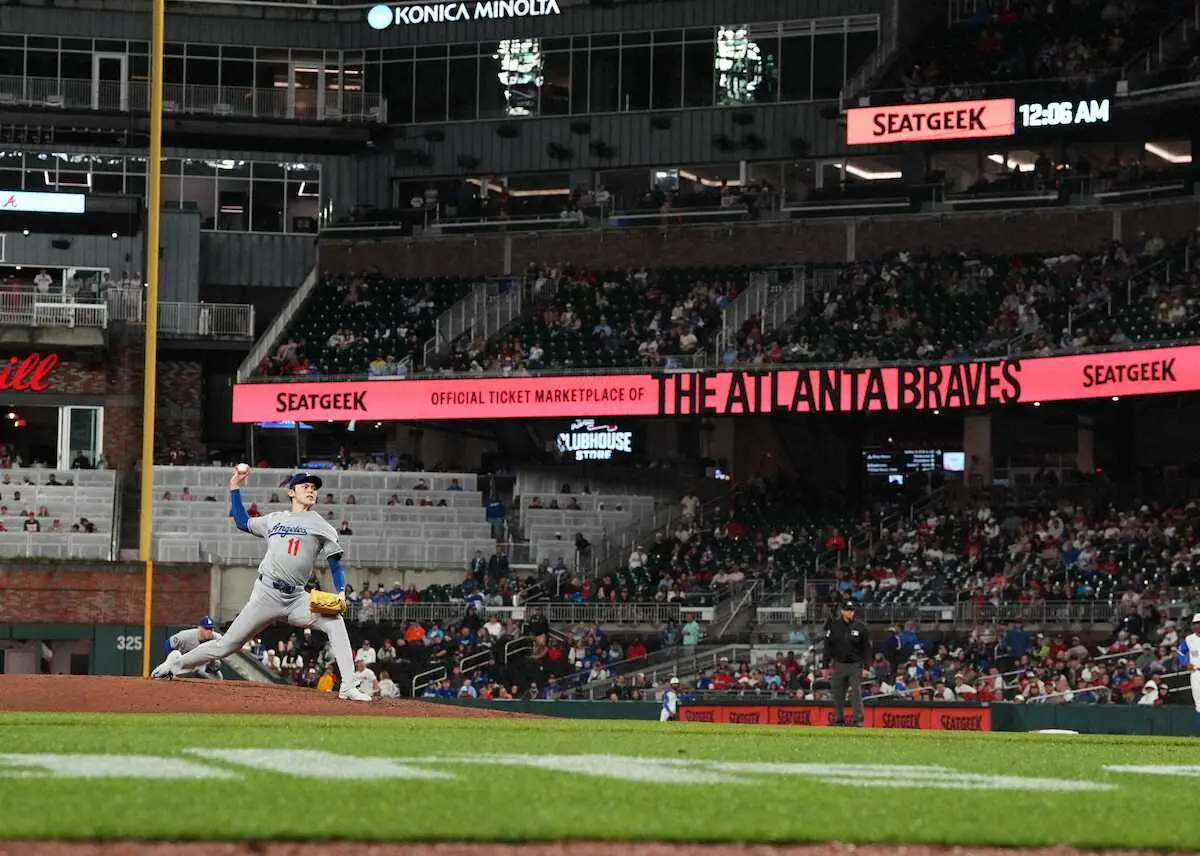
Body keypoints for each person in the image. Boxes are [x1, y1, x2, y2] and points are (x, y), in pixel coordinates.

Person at [150, 468, 370, 702]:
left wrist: (341, 593)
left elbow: (335, 565)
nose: (311, 491)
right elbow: (243, 522)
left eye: (314, 488)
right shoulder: (274, 519)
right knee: (226, 645)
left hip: (296, 598)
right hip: (266, 594)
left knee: (335, 622)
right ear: (291, 492)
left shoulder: (322, 526)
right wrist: (235, 486)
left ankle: (348, 685)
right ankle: (175, 665)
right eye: (305, 486)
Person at [824, 600, 870, 727]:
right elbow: (828, 647)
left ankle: (858, 720)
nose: (850, 612)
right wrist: (825, 666)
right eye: (848, 610)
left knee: (856, 692)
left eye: (852, 610)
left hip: (855, 665)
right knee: (838, 693)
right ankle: (839, 719)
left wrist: (866, 666)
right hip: (839, 664)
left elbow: (866, 648)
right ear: (842, 611)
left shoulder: (861, 626)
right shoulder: (834, 626)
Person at [1176, 612, 1200, 725]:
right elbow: (1180, 652)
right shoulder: (1189, 639)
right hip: (1196, 672)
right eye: (1194, 623)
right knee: (1199, 703)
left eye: (1198, 623)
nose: (1196, 626)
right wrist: (1186, 663)